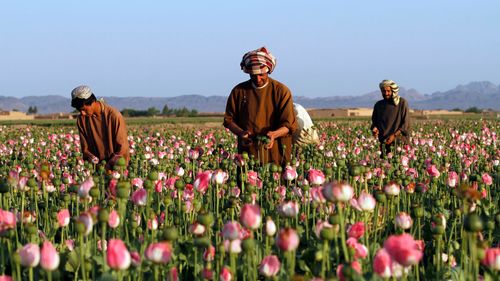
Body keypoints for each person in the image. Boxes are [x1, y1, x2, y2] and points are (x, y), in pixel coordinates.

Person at [223, 47, 297, 166]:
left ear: (268, 70)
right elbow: (229, 120)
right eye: (253, 75)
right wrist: (241, 133)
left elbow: (289, 125)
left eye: (261, 75)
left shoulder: (281, 91)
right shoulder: (239, 91)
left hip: (276, 151)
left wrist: (274, 135)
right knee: (247, 181)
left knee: (276, 182)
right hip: (248, 152)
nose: (258, 79)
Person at [70, 85, 130, 170]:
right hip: (98, 168)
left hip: (117, 169)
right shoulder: (81, 119)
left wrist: (110, 164)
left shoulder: (114, 116)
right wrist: (91, 157)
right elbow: (85, 149)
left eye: (84, 109)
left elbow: (122, 148)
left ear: (92, 102)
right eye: (80, 111)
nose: (82, 113)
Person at [371, 79, 410, 156]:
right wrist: (375, 129)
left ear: (393, 91)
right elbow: (374, 122)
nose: (386, 93)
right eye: (383, 91)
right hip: (384, 143)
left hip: (399, 143)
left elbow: (405, 124)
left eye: (388, 91)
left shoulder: (402, 103)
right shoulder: (378, 105)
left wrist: (394, 136)